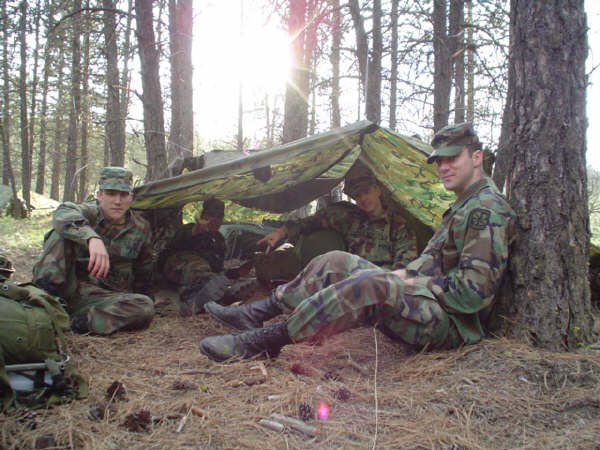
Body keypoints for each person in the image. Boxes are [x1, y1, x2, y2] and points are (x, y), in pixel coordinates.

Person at [199, 123, 517, 362]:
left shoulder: (485, 211)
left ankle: (264, 342)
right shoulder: (463, 206)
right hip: (428, 303)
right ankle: (258, 312)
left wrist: (409, 281)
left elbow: (472, 295)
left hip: (452, 325)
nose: (444, 167)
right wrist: (405, 278)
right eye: (438, 161)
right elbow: (427, 266)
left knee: (371, 282)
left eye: (452, 158)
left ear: (476, 158)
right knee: (336, 260)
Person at [32, 167, 157, 335]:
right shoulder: (87, 213)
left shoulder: (141, 227)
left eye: (123, 195)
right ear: (99, 195)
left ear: (131, 197)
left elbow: (144, 269)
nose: (117, 201)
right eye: (111, 194)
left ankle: (78, 322)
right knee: (59, 233)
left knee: (144, 307)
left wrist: (148, 297)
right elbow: (62, 212)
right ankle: (42, 299)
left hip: (102, 297)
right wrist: (91, 238)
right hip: (68, 288)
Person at [253, 164, 418, 285]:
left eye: (366, 192)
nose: (363, 199)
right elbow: (309, 222)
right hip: (347, 282)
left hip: (383, 284)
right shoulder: (349, 217)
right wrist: (281, 232)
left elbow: (405, 266)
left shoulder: (398, 225)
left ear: (378, 190)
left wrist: (381, 284)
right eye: (357, 195)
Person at [157, 198, 232, 315]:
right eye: (211, 215)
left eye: (219, 217)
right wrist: (195, 232)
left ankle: (217, 294)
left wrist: (235, 273)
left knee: (216, 278)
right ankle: (191, 300)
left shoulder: (219, 240)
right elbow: (173, 245)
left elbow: (218, 267)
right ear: (203, 215)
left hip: (204, 275)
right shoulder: (189, 229)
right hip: (176, 270)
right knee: (198, 266)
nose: (215, 220)